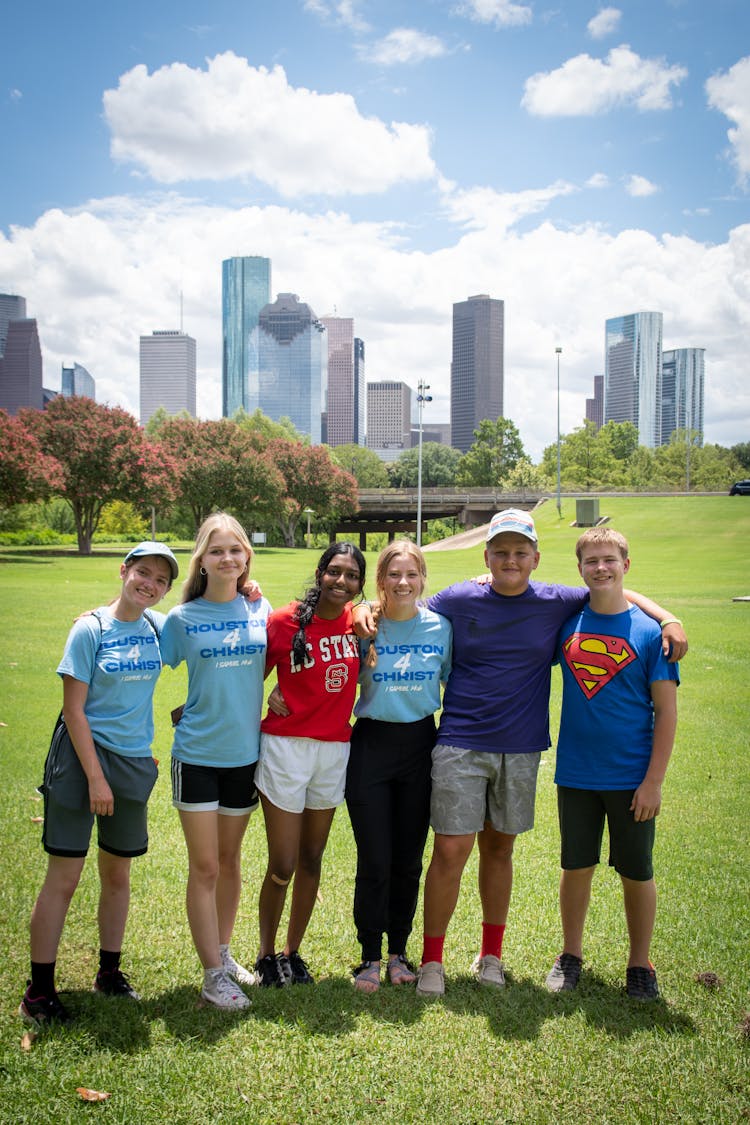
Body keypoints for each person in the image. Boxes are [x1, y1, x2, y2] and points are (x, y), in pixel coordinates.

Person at [353, 508, 687, 998]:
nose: (511, 559)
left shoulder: (556, 600)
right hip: (460, 742)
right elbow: (405, 600)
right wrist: (366, 608)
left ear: (535, 558)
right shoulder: (461, 597)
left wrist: (669, 616)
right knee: (450, 849)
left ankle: (491, 954)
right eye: (501, 551)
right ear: (487, 557)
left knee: (500, 849)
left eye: (520, 552)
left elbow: (615, 591)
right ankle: (431, 959)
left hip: (521, 746)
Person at [20, 541, 178, 1027]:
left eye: (160, 580)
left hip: (131, 764)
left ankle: (109, 973)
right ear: (124, 570)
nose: (148, 584)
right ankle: (39, 992)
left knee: (118, 875)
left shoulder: (157, 627)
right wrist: (95, 778)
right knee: (64, 879)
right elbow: (74, 710)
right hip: (80, 761)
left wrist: (250, 592)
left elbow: (209, 626)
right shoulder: (90, 628)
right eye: (142, 572)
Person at [545, 527, 678, 1000]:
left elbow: (666, 712)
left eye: (610, 560)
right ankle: (571, 955)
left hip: (631, 777)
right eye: (591, 561)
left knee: (636, 870)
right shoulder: (568, 623)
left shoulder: (649, 634)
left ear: (626, 564)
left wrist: (653, 782)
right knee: (575, 865)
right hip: (576, 773)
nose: (601, 568)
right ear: (579, 570)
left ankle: (640, 964)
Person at [159, 514, 271, 1010]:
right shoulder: (183, 620)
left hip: (244, 755)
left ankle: (224, 955)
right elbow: (146, 653)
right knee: (204, 867)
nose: (227, 558)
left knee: (229, 863)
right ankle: (210, 977)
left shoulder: (259, 607)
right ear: (202, 561)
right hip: (198, 755)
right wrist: (96, 617)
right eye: (217, 551)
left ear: (247, 556)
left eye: (235, 550)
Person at [254, 542, 365, 988]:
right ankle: (264, 954)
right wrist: (266, 696)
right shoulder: (283, 621)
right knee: (282, 863)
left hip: (335, 750)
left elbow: (406, 597)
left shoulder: (362, 622)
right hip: (286, 749)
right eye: (334, 572)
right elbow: (248, 678)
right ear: (320, 573)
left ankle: (292, 952)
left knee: (312, 858)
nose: (341, 581)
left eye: (351, 575)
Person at [346, 541, 452, 993]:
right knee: (375, 858)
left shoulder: (440, 627)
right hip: (370, 744)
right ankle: (369, 955)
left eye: (411, 574)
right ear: (380, 581)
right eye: (394, 574)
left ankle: (398, 953)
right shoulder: (366, 625)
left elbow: (453, 677)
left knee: (408, 860)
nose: (403, 582)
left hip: (419, 745)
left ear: (423, 579)